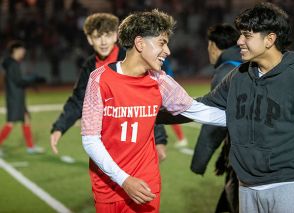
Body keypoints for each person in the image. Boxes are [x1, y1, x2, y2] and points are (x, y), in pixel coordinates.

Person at [81, 9, 226, 212]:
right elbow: (90, 140)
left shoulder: (160, 80)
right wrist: (124, 180)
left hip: (146, 183)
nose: (167, 51)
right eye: (161, 42)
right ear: (140, 43)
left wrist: (245, 120)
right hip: (109, 186)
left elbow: (196, 110)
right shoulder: (99, 79)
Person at [198, 3, 294, 213]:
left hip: (288, 188)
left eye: (246, 35)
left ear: (270, 39)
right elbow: (205, 105)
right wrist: (156, 109)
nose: (239, 41)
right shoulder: (239, 75)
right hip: (246, 188)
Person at [49, 13, 168, 157]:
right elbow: (79, 100)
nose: (103, 41)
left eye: (107, 35)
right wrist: (59, 127)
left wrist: (159, 139)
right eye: (98, 36)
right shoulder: (90, 66)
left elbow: (149, 100)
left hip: (137, 138)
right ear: (89, 39)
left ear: (115, 36)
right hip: (106, 140)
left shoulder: (130, 59)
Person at [191, 24, 241, 213]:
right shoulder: (249, 63)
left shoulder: (225, 71)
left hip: (242, 162)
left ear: (213, 46)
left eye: (208, 46)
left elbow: (215, 119)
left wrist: (199, 162)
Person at [0, 41, 44, 155]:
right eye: (21, 51)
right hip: (14, 99)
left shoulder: (12, 64)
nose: (23, 53)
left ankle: (30, 147)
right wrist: (33, 79)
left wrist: (31, 82)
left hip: (17, 98)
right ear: (15, 51)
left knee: (26, 120)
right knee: (10, 123)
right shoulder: (13, 65)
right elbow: (19, 81)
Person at [162, 58, 188, 148]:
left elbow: (168, 72)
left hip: (163, 88)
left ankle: (181, 138)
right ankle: (181, 138)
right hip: (162, 87)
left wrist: (166, 82)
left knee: (170, 112)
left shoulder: (161, 59)